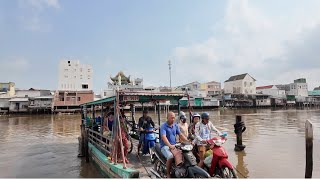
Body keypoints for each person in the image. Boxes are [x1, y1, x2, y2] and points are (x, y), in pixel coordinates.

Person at [160, 111, 189, 178]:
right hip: (165, 146)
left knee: (184, 153)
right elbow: (164, 137)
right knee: (170, 156)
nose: (173, 119)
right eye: (171, 118)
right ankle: (168, 173)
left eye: (174, 118)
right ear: (167, 118)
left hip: (174, 145)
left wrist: (188, 141)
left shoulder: (175, 125)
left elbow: (180, 135)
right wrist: (169, 145)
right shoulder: (163, 126)